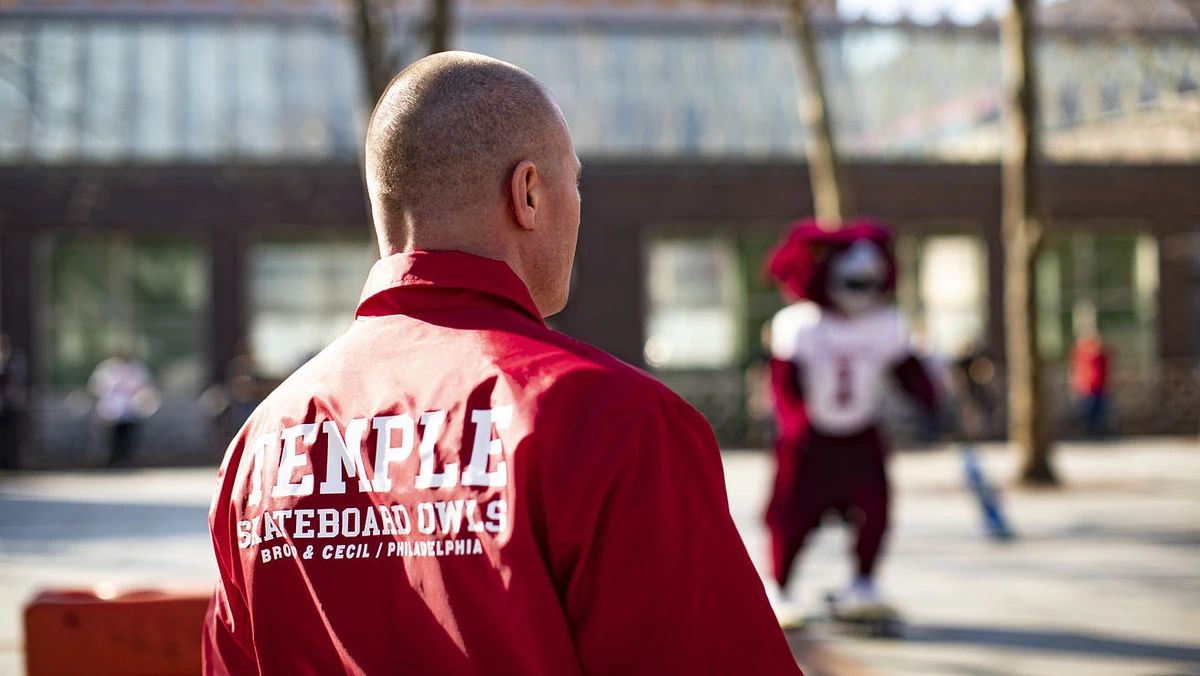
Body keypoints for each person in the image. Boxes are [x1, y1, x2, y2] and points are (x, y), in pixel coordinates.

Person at [204, 52, 800, 675]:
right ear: (528, 194)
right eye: (575, 183)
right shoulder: (613, 422)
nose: (579, 208)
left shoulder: (260, 444)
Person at [764, 219, 939, 613]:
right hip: (811, 439)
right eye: (854, 284)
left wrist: (929, 398)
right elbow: (784, 383)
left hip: (861, 432)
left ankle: (863, 583)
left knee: (874, 510)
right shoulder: (801, 325)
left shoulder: (886, 324)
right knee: (791, 513)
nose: (862, 293)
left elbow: (906, 371)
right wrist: (794, 422)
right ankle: (780, 586)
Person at [88, 345, 153, 468]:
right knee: (112, 438)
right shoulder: (107, 368)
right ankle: (112, 461)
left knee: (129, 437)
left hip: (131, 409)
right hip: (111, 410)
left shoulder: (137, 367)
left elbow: (144, 385)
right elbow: (97, 386)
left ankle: (127, 460)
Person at [1071, 328, 1112, 437]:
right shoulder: (1086, 354)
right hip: (1088, 386)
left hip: (1099, 386)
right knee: (1089, 411)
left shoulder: (1099, 355)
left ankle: (1096, 430)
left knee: (1098, 411)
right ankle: (1091, 431)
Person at [0, 334, 27, 469]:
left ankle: (13, 463)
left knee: (13, 436)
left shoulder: (15, 360)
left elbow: (15, 380)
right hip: (3, 406)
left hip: (13, 405)